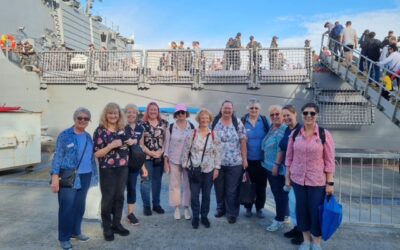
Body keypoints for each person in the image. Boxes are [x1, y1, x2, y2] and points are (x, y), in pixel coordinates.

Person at [285, 103, 335, 250]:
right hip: (298, 180)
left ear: (317, 115)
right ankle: (306, 241)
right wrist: (288, 178)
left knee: (316, 212)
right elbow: (289, 158)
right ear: (301, 115)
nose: (309, 116)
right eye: (306, 113)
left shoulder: (324, 135)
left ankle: (317, 242)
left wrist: (330, 182)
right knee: (301, 211)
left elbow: (329, 160)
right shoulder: (295, 134)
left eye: (312, 113)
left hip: (317, 181)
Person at [51, 107, 98, 250]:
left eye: (86, 118)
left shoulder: (88, 136)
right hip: (68, 176)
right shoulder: (65, 135)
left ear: (89, 121)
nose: (82, 120)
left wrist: (94, 177)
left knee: (79, 207)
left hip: (86, 175)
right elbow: (58, 156)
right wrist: (54, 176)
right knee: (66, 208)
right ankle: (64, 238)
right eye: (80, 118)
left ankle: (76, 232)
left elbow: (91, 158)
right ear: (75, 119)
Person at [93, 103, 130, 241]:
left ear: (119, 115)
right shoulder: (100, 131)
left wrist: (131, 141)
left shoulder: (123, 129)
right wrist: (110, 146)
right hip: (107, 169)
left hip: (123, 167)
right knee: (108, 198)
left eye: (115, 113)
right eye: (110, 113)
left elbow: (132, 142)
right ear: (105, 115)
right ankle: (107, 227)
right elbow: (97, 153)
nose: (113, 116)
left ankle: (117, 224)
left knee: (119, 196)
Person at [181, 109, 221, 229]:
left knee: (206, 195)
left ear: (210, 120)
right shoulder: (192, 134)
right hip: (194, 170)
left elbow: (217, 153)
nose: (204, 120)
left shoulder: (214, 134)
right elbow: (186, 151)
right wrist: (186, 166)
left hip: (209, 170)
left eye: (207, 118)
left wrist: (217, 168)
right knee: (194, 196)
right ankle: (196, 217)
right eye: (202, 118)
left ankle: (204, 217)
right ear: (199, 119)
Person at [212, 100, 248, 224]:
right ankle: (220, 208)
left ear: (233, 110)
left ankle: (232, 213)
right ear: (221, 109)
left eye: (229, 108)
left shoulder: (237, 122)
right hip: (217, 163)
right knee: (219, 188)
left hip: (235, 163)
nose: (227, 110)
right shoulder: (215, 122)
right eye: (225, 108)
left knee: (232, 189)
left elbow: (243, 141)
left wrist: (244, 159)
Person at [278, 105, 303, 245]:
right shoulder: (287, 130)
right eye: (284, 116)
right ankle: (297, 227)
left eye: (288, 115)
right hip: (288, 172)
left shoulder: (301, 130)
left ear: (295, 114)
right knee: (293, 204)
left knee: (299, 204)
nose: (286, 118)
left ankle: (302, 232)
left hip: (297, 174)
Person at [241, 98, 270, 218]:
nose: (254, 110)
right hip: (248, 160)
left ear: (260, 109)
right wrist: (244, 159)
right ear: (248, 109)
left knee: (261, 185)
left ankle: (259, 208)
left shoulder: (264, 121)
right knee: (248, 184)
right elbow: (240, 141)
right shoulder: (242, 121)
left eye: (256, 108)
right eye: (252, 108)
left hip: (262, 160)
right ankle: (248, 207)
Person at [164, 104, 193, 220]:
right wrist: (166, 160)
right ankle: (176, 208)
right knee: (174, 185)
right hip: (173, 160)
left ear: (186, 114)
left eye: (183, 112)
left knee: (187, 185)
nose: (181, 114)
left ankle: (186, 208)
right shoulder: (170, 127)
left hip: (188, 161)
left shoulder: (191, 127)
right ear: (176, 114)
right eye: (179, 112)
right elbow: (167, 144)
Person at [262, 105, 288, 232]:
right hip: (268, 165)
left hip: (276, 168)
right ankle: (285, 215)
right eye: (272, 115)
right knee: (279, 193)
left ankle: (279, 219)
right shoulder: (273, 128)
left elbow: (281, 149)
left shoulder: (283, 129)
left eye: (277, 114)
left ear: (282, 116)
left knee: (279, 195)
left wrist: (276, 166)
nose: (275, 117)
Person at [141, 102, 169, 215]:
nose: (153, 111)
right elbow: (141, 143)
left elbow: (167, 140)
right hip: (146, 157)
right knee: (145, 181)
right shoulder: (142, 124)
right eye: (151, 109)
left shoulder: (164, 124)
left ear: (158, 111)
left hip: (159, 157)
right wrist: (151, 153)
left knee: (157, 182)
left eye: (155, 109)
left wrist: (161, 152)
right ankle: (147, 207)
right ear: (147, 111)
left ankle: (156, 205)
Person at [124, 104, 148, 225]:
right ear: (125, 114)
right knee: (118, 190)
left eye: (133, 112)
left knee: (132, 188)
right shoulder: (121, 127)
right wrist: (130, 142)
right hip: (121, 164)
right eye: (129, 112)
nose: (131, 114)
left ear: (136, 114)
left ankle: (130, 214)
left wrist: (143, 167)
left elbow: (141, 148)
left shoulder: (141, 128)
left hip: (134, 164)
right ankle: (113, 213)